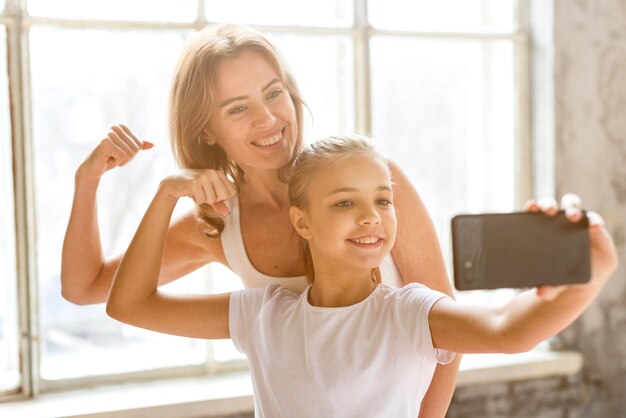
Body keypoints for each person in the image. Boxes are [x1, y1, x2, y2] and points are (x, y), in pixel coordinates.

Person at [61, 24, 460, 415]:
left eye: (274, 93)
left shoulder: (368, 181)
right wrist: (88, 181)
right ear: (205, 132)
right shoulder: (216, 225)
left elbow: (448, 334)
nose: (267, 119)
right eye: (238, 108)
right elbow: (85, 287)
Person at [106, 134, 618, 418]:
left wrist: (594, 269)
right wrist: (167, 194)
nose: (371, 216)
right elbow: (128, 304)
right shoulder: (263, 314)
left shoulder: (410, 313)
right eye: (346, 202)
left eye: (383, 200)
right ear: (302, 221)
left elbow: (511, 330)